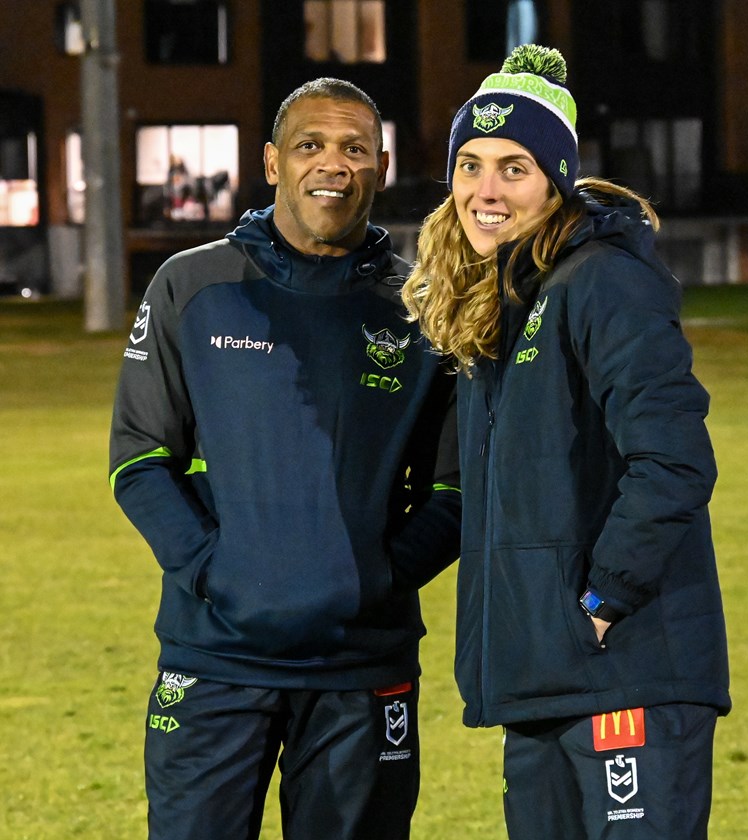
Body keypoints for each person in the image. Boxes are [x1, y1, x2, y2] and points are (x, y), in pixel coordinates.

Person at [109, 77, 461, 840]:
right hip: (214, 659)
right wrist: (215, 572)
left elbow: (454, 490)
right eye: (310, 145)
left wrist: (379, 579)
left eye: (354, 148)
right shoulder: (192, 286)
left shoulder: (424, 311)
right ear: (272, 163)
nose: (333, 163)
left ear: (382, 167)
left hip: (362, 667)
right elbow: (139, 458)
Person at [402, 45, 730, 839]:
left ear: (555, 180)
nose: (485, 191)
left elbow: (674, 458)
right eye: (470, 165)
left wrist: (602, 600)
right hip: (543, 678)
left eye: (513, 168)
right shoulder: (500, 306)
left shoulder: (602, 279)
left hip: (625, 670)